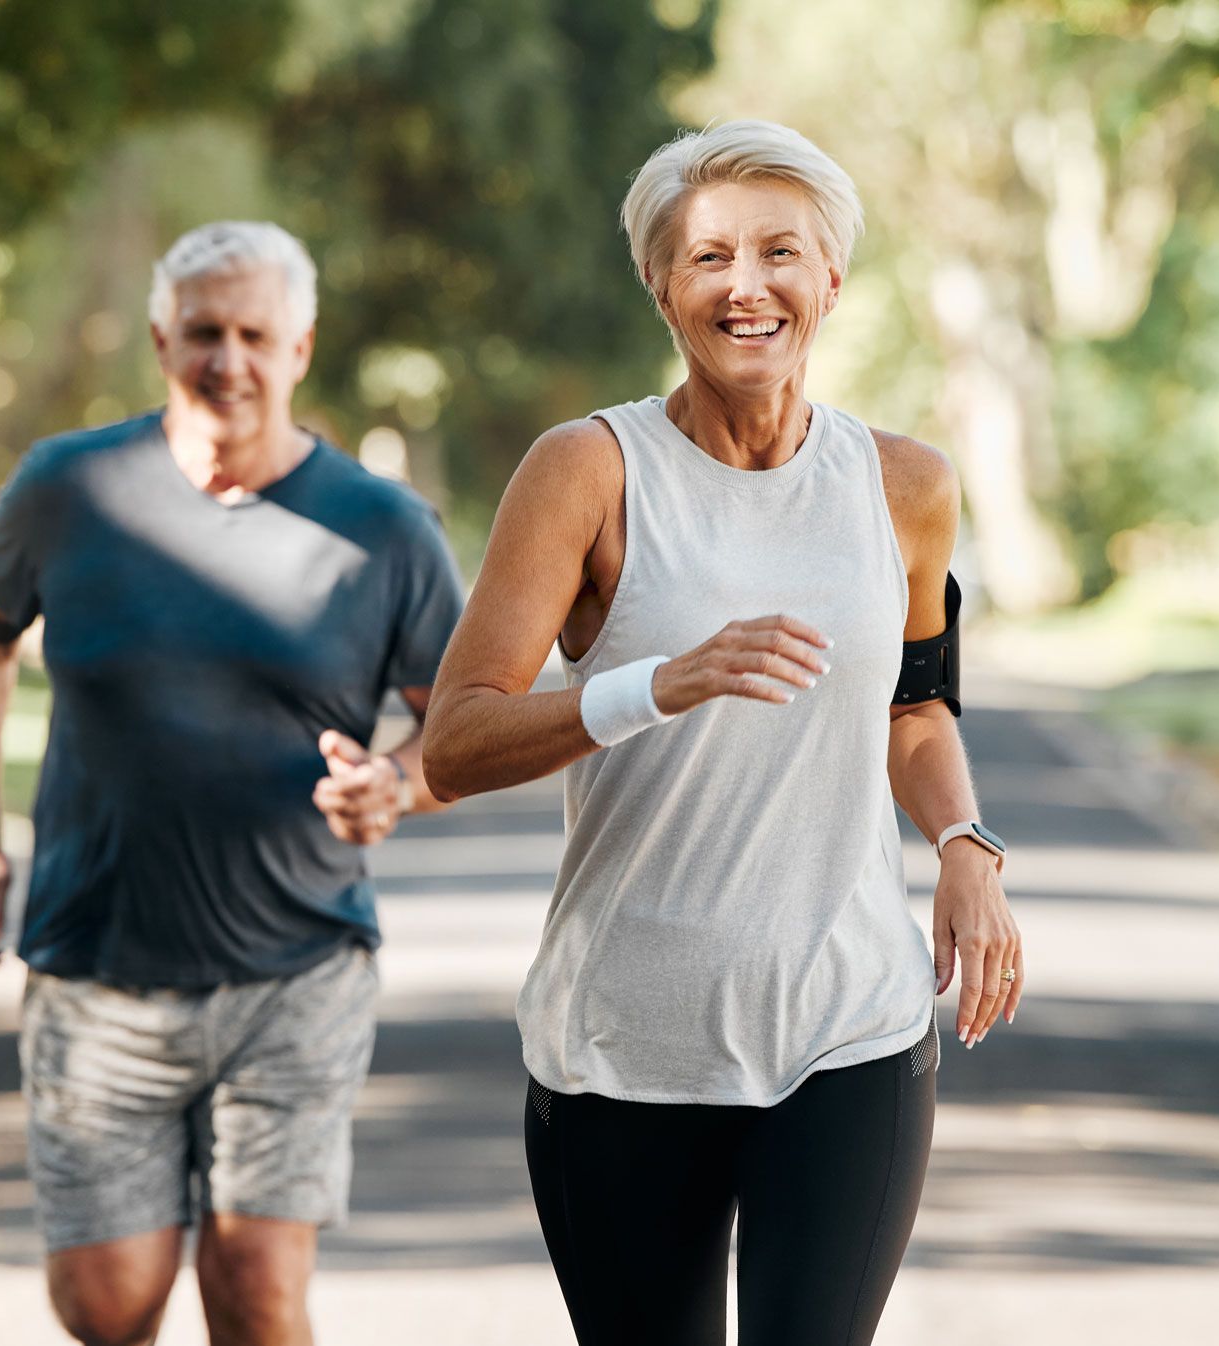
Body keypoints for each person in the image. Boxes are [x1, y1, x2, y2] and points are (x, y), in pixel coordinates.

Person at [420, 121, 1024, 1345]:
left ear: (832, 281)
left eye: (779, 252)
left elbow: (914, 702)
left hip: (849, 1023)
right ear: (662, 285)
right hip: (624, 1041)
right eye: (707, 258)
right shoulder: (586, 471)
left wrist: (965, 840)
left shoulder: (906, 484)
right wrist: (657, 683)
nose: (746, 285)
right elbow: (455, 740)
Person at [0, 220, 465, 1346]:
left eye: (256, 335)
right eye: (206, 333)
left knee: (258, 1289)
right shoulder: (68, 488)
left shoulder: (386, 529)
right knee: (106, 1302)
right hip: (97, 962)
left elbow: (460, 727)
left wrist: (396, 787)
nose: (231, 360)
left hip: (299, 964)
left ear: (301, 347)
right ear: (162, 339)